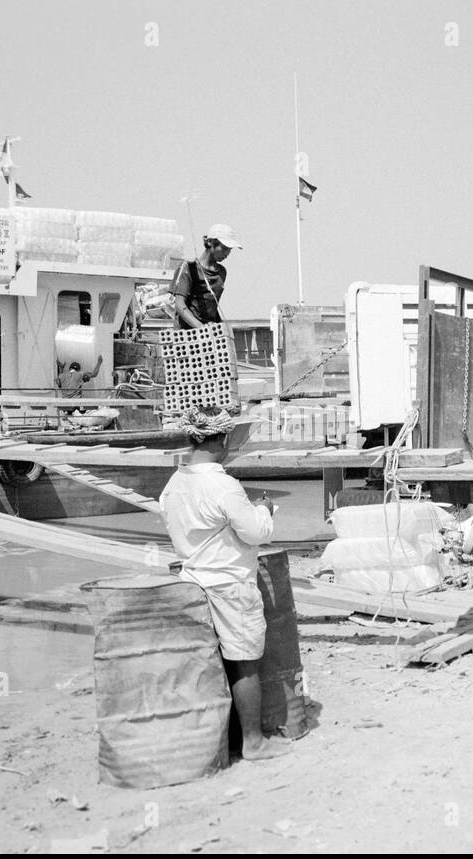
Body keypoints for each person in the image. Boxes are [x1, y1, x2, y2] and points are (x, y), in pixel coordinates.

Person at [159, 406, 290, 761]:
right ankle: (253, 742)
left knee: (210, 662)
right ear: (224, 439)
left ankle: (216, 741)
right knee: (244, 660)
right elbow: (256, 533)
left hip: (191, 581)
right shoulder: (223, 485)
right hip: (229, 583)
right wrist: (264, 509)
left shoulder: (174, 484)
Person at [172, 223, 242, 329]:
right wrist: (201, 328)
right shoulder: (188, 268)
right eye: (223, 248)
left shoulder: (221, 272)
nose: (227, 253)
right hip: (187, 333)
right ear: (210, 243)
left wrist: (219, 327)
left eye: (229, 250)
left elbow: (212, 306)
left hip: (208, 335)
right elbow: (179, 305)